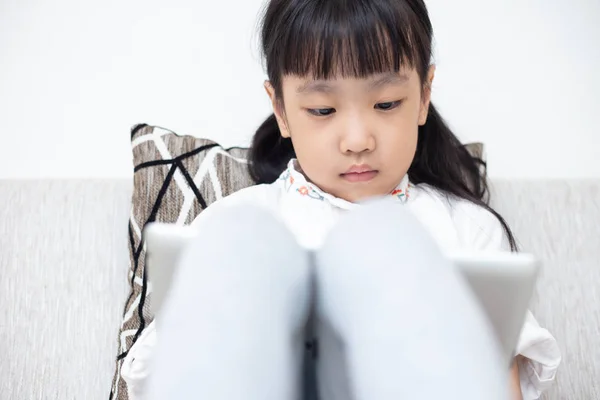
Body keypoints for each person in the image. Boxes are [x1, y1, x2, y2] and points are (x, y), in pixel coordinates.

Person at [121, 0, 561, 399]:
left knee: (382, 236)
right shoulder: (233, 221)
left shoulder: (467, 229)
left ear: (424, 96)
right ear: (281, 110)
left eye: (387, 104)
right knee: (242, 244)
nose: (357, 140)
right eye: (323, 110)